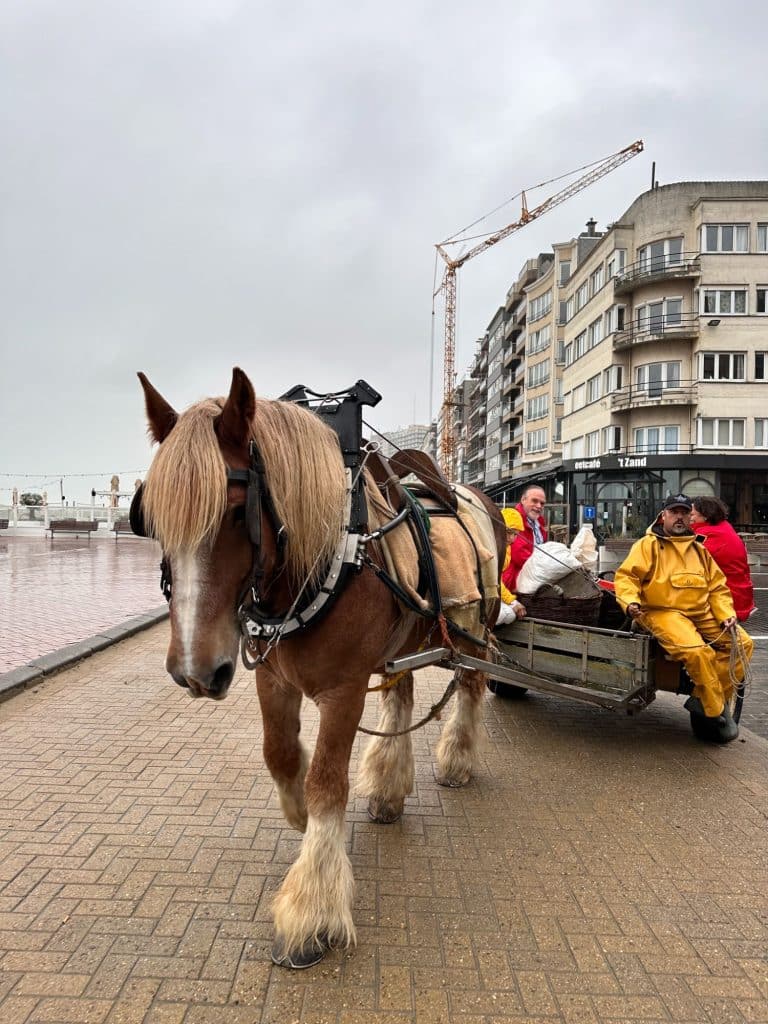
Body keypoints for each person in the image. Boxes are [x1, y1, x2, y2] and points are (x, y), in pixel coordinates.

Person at [614, 493, 753, 744]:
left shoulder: (699, 548)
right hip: (662, 611)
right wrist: (630, 601)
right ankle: (715, 712)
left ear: (690, 516)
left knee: (743, 644)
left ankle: (703, 698)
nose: (679, 517)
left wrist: (726, 615)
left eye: (684, 512)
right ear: (663, 515)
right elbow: (626, 577)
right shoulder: (648, 545)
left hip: (701, 612)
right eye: (674, 512)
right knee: (698, 652)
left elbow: (718, 588)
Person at [689, 495, 756, 622]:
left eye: (692, 515)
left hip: (727, 599)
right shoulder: (723, 528)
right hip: (739, 594)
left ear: (705, 516)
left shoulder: (708, 535)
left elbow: (689, 556)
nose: (689, 518)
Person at [501, 485, 548, 596]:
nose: (539, 506)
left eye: (542, 503)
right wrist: (545, 567)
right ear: (523, 500)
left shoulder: (539, 521)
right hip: (514, 582)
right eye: (535, 501)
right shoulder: (514, 519)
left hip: (533, 578)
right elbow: (519, 555)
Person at [496, 508, 527, 625]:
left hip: (496, 591)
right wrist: (512, 602)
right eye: (509, 532)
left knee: (509, 616)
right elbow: (495, 578)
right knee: (504, 614)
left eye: (515, 534)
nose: (512, 538)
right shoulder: (494, 547)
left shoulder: (506, 547)